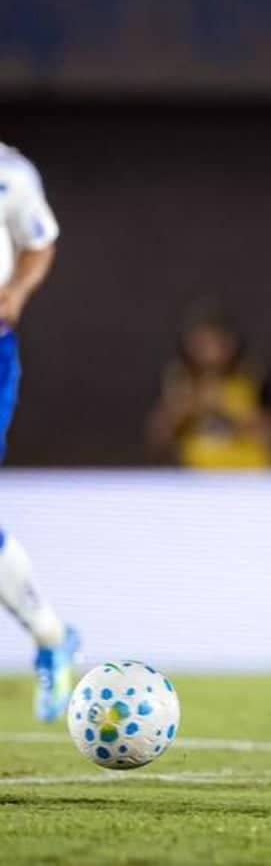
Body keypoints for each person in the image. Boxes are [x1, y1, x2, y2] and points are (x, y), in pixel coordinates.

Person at [0, 141, 80, 721]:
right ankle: (52, 633)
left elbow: (39, 243)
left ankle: (51, 636)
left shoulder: (9, 173)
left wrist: (17, 292)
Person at [146, 303, 271, 468]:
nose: (210, 351)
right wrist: (188, 406)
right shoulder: (179, 378)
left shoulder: (253, 374)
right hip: (194, 479)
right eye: (202, 343)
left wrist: (226, 407)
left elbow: (270, 435)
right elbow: (158, 437)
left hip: (248, 476)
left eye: (216, 342)